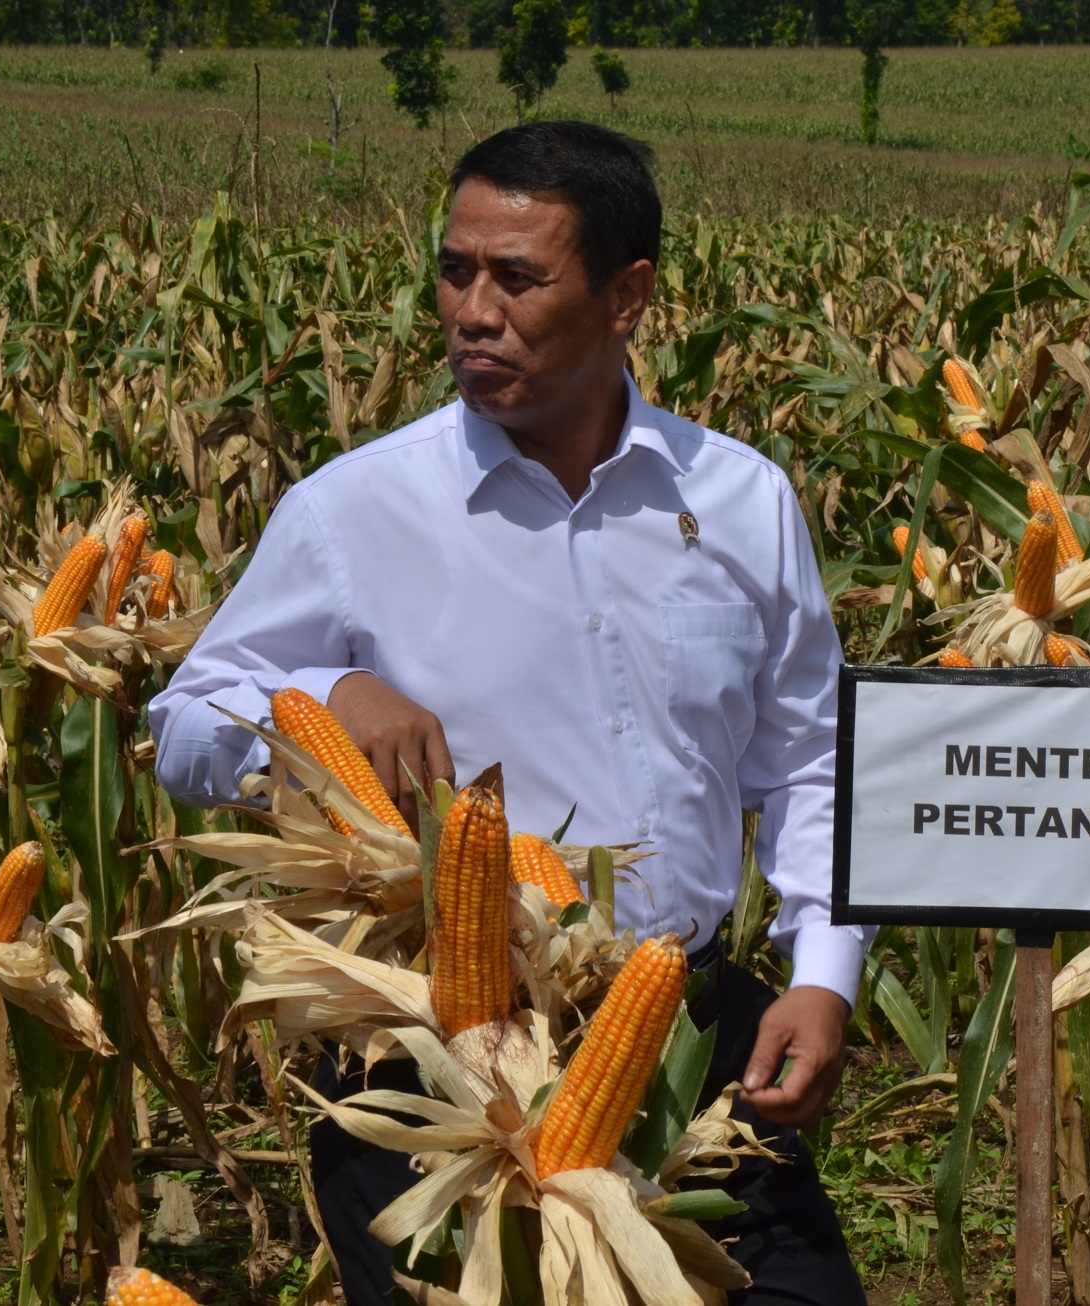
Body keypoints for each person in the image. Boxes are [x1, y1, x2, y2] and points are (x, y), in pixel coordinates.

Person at [147, 120, 871, 1306]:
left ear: (626, 295)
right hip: (445, 1057)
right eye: (454, 270)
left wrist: (823, 971)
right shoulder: (357, 510)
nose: (471, 311)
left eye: (518, 278)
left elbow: (810, 761)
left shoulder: (740, 500)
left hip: (683, 1022)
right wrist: (322, 694)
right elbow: (181, 728)